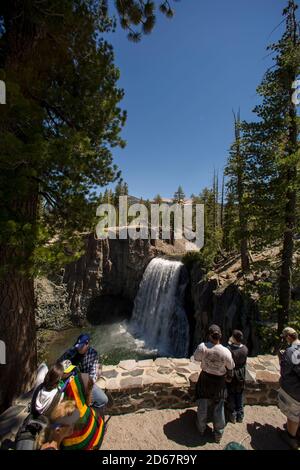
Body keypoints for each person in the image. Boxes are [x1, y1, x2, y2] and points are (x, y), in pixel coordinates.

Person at [193, 324, 235, 443]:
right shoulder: (226, 351)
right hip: (219, 382)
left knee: (203, 404)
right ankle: (218, 434)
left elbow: (196, 358)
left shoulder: (203, 347)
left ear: (209, 335)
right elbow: (231, 366)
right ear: (220, 336)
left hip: (205, 379)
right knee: (219, 407)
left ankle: (201, 428)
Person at [59, 333, 108, 415]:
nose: (78, 349)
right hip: (69, 382)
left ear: (87, 344)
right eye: (78, 346)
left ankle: (94, 416)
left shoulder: (93, 354)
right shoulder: (70, 352)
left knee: (103, 400)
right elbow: (59, 365)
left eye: (81, 346)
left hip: (85, 382)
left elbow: (93, 375)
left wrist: (86, 387)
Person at [277, 327, 300, 450]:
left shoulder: (291, 351)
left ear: (289, 337)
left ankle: (291, 437)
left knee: (293, 414)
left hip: (295, 390)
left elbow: (285, 372)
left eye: (285, 337)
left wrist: (281, 359)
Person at [226, 330, 248, 424]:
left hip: (232, 373)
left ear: (234, 338)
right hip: (241, 373)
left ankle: (233, 415)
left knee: (231, 394)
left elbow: (228, 363)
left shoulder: (229, 349)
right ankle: (240, 415)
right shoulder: (245, 349)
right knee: (239, 393)